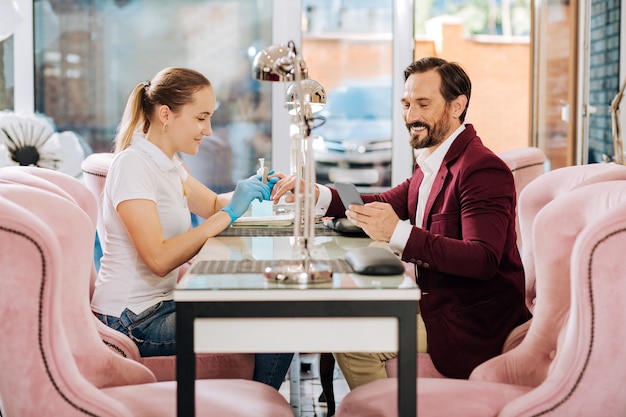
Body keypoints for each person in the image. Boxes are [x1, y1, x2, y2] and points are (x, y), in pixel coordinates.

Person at [270, 56, 532, 388]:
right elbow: (382, 202)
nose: (410, 116)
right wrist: (316, 193)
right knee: (344, 313)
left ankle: (376, 409)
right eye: (406, 104)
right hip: (435, 301)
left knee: (350, 338)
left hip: (471, 321)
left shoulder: (481, 169)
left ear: (457, 106)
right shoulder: (435, 160)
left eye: (423, 104)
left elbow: (482, 259)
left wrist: (399, 234)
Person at [91, 67, 293, 390]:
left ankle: (251, 402)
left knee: (271, 307)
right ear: (165, 115)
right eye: (201, 118)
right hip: (131, 320)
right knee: (275, 320)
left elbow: (214, 205)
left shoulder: (168, 164)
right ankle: (257, 406)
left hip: (161, 305)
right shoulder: (133, 166)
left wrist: (254, 189)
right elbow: (158, 259)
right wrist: (229, 213)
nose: (209, 130)